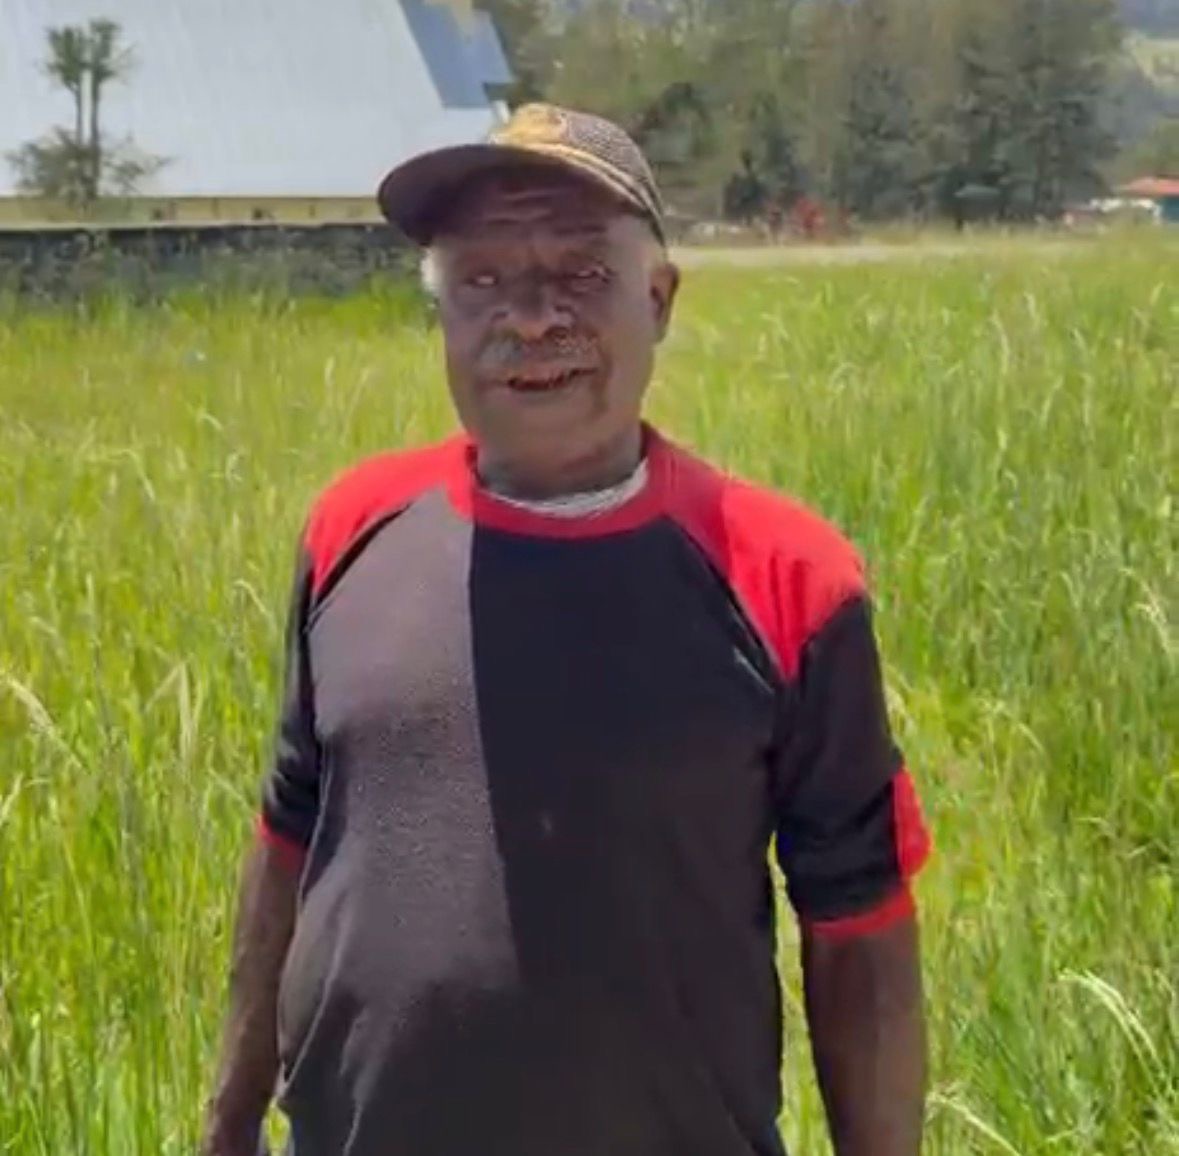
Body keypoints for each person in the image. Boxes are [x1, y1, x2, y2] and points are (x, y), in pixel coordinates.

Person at [201, 103, 932, 1156]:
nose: (532, 319)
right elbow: (289, 834)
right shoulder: (351, 530)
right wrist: (228, 1120)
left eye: (581, 273)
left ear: (659, 298)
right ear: (441, 309)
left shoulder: (789, 578)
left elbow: (859, 926)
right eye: (481, 279)